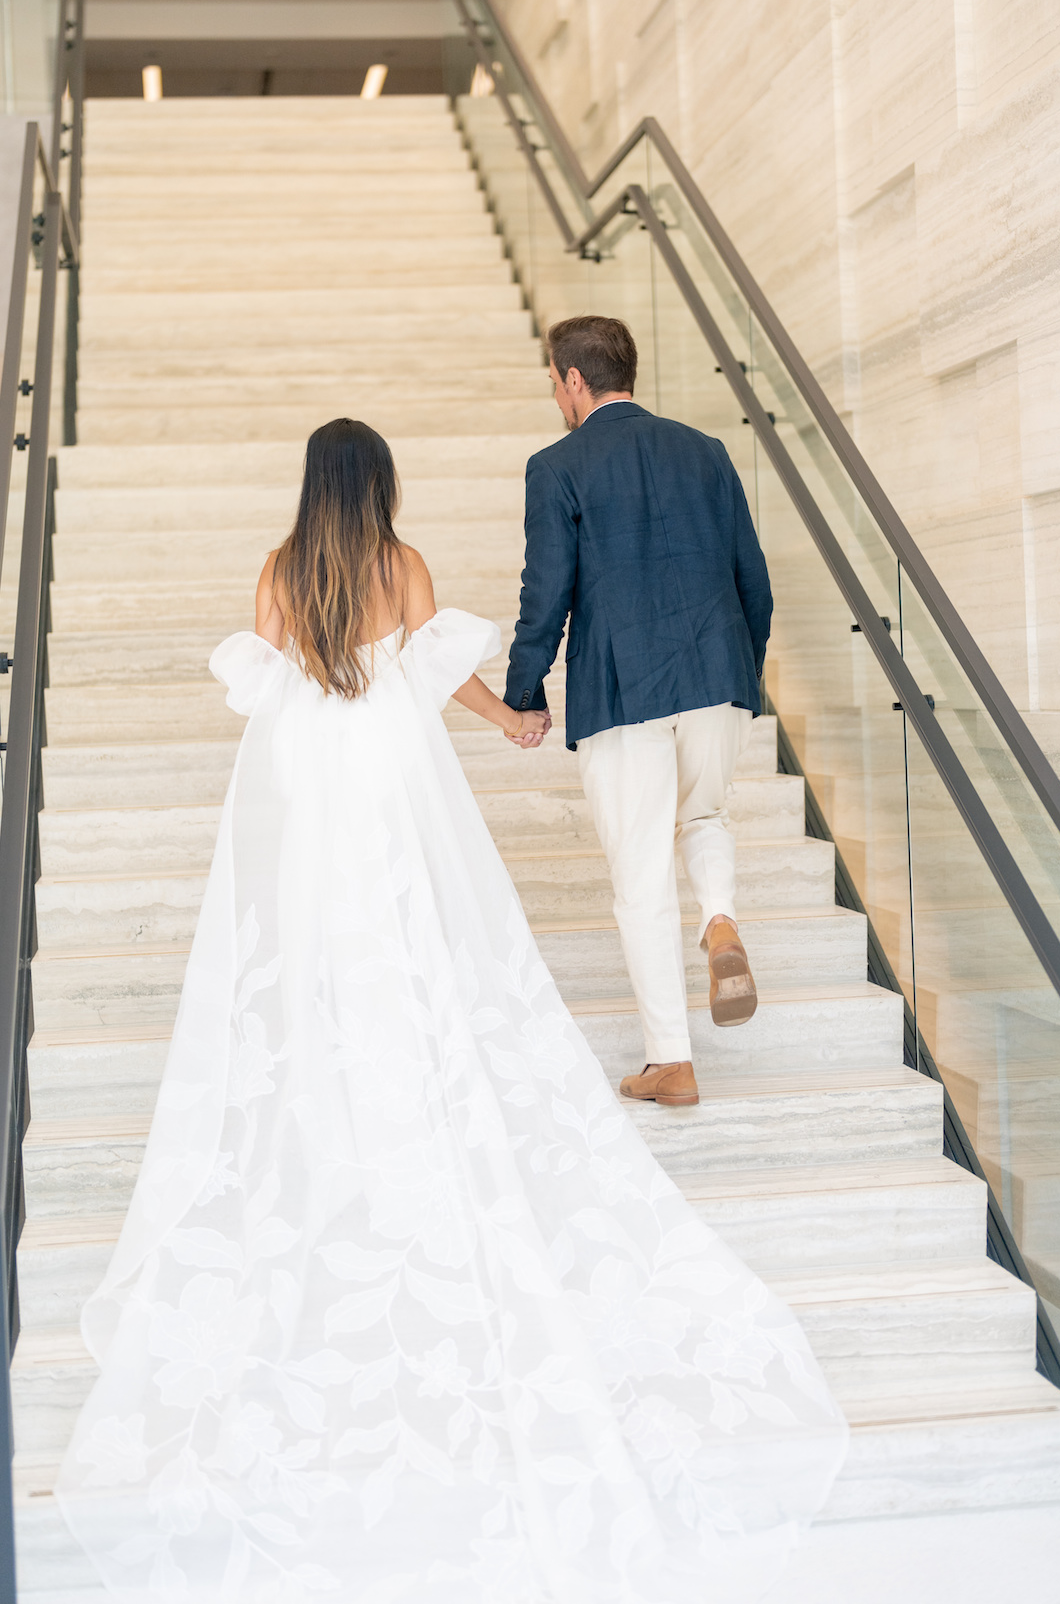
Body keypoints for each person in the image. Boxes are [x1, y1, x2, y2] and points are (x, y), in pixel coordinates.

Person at [55, 418, 844, 1602]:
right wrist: (511, 718)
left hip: (304, 769)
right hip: (386, 764)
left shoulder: (281, 568)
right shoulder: (400, 560)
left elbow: (264, 690)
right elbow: (435, 672)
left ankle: (328, 1064)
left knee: (312, 929)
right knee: (418, 918)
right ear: (374, 482)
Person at [506, 318, 773, 1112]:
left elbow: (545, 590)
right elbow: (753, 580)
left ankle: (672, 1061)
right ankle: (720, 920)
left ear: (574, 381)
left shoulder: (557, 465)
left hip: (626, 690)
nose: (556, 395)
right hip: (717, 673)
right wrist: (738, 674)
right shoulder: (707, 450)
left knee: (640, 876)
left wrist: (525, 691)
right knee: (707, 814)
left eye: (555, 382)